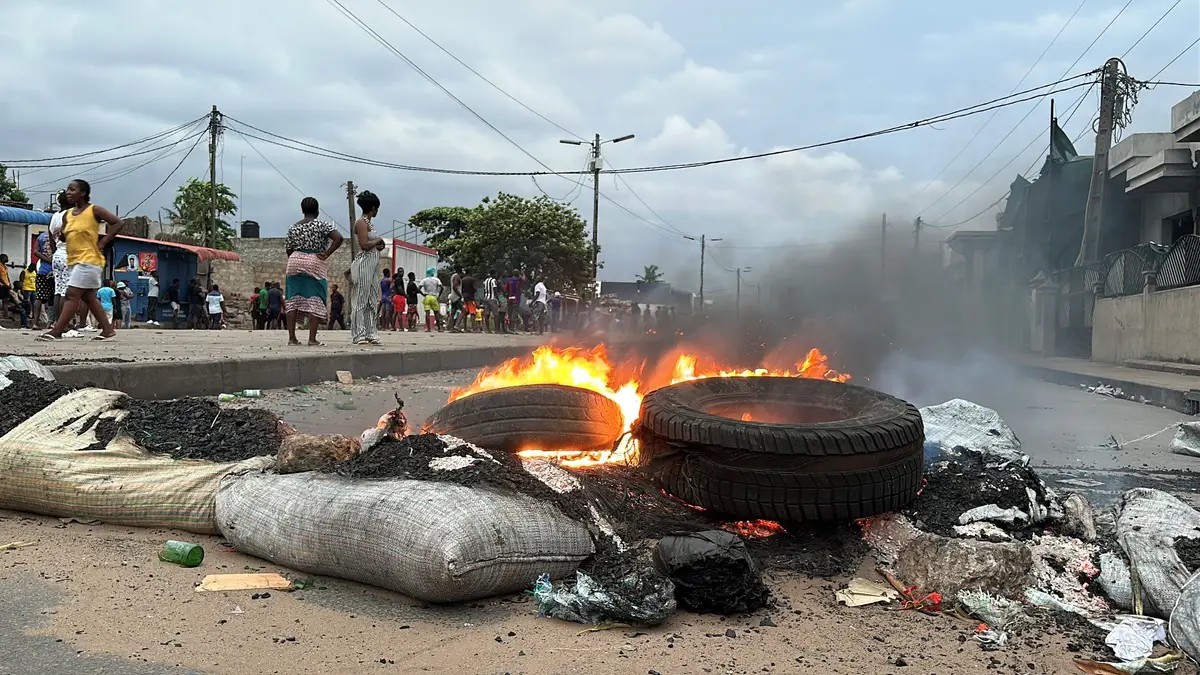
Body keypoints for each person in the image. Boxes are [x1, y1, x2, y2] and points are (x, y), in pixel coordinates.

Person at [38, 179, 123, 341]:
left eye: (72, 189)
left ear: (83, 193)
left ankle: (57, 331)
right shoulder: (67, 216)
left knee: (72, 294)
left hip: (90, 260)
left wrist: (103, 242)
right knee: (88, 297)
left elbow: (118, 223)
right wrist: (61, 235)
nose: (68, 192)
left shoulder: (94, 210)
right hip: (74, 260)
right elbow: (66, 235)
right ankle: (107, 330)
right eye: (67, 190)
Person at [284, 196, 344, 346]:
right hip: (314, 260)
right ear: (317, 211)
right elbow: (339, 238)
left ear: (302, 210)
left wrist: (297, 259)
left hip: (295, 260)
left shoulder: (294, 227)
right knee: (316, 298)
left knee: (292, 299)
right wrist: (327, 253)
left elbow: (289, 249)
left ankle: (292, 338)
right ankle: (312, 339)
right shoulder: (322, 225)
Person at [349, 190, 386, 345]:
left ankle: (371, 332)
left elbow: (374, 244)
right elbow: (364, 245)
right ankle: (359, 333)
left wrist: (379, 243)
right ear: (373, 208)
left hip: (373, 261)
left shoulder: (370, 224)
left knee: (372, 298)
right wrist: (378, 241)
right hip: (364, 262)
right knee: (360, 299)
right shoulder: (361, 223)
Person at [49, 192, 70, 326]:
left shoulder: (54, 216)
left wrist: (54, 252)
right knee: (66, 292)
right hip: (68, 254)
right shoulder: (70, 215)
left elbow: (51, 237)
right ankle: (64, 324)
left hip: (57, 254)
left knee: (58, 290)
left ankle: (57, 322)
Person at [33, 227, 54, 327]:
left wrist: (45, 259)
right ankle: (52, 322)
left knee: (39, 297)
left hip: (42, 271)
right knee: (56, 297)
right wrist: (51, 261)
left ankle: (35, 323)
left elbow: (35, 252)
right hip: (56, 272)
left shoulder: (41, 237)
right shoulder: (60, 236)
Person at [419, 267, 442, 332]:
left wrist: (423, 294)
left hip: (427, 297)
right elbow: (442, 287)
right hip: (434, 297)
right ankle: (439, 328)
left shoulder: (424, 280)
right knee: (436, 313)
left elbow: (418, 288)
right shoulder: (437, 280)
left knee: (427, 313)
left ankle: (428, 328)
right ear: (433, 273)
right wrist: (439, 295)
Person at [504, 269, 523, 334]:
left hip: (509, 299)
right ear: (518, 274)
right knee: (514, 314)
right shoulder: (519, 280)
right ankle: (512, 328)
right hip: (516, 299)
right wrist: (523, 273)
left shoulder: (508, 280)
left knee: (509, 313)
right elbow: (524, 279)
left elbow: (505, 289)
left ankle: (508, 328)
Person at [460, 268, 477, 333]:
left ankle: (465, 328)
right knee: (472, 313)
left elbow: (461, 289)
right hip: (470, 297)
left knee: (465, 313)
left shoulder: (463, 280)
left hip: (464, 297)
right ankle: (474, 329)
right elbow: (475, 288)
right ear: (470, 272)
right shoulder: (472, 279)